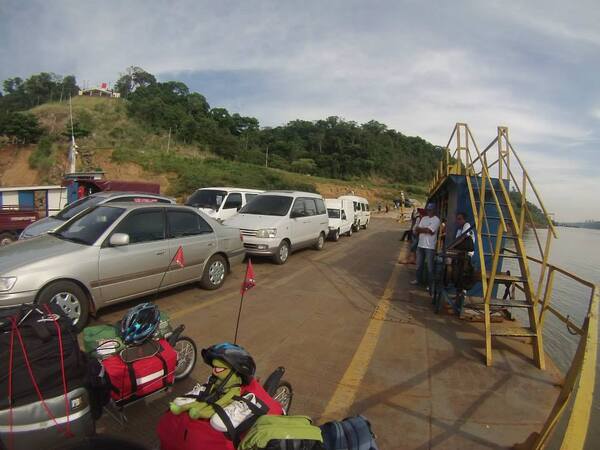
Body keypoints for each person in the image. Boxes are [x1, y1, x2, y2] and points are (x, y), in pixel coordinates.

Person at [411, 203, 440, 292]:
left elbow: (430, 231)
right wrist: (424, 230)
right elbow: (416, 230)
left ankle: (429, 284)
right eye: (428, 210)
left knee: (429, 267)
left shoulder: (436, 220)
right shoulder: (424, 218)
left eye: (430, 210)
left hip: (429, 247)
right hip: (420, 245)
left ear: (434, 210)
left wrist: (422, 230)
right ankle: (418, 280)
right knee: (419, 264)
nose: (429, 211)